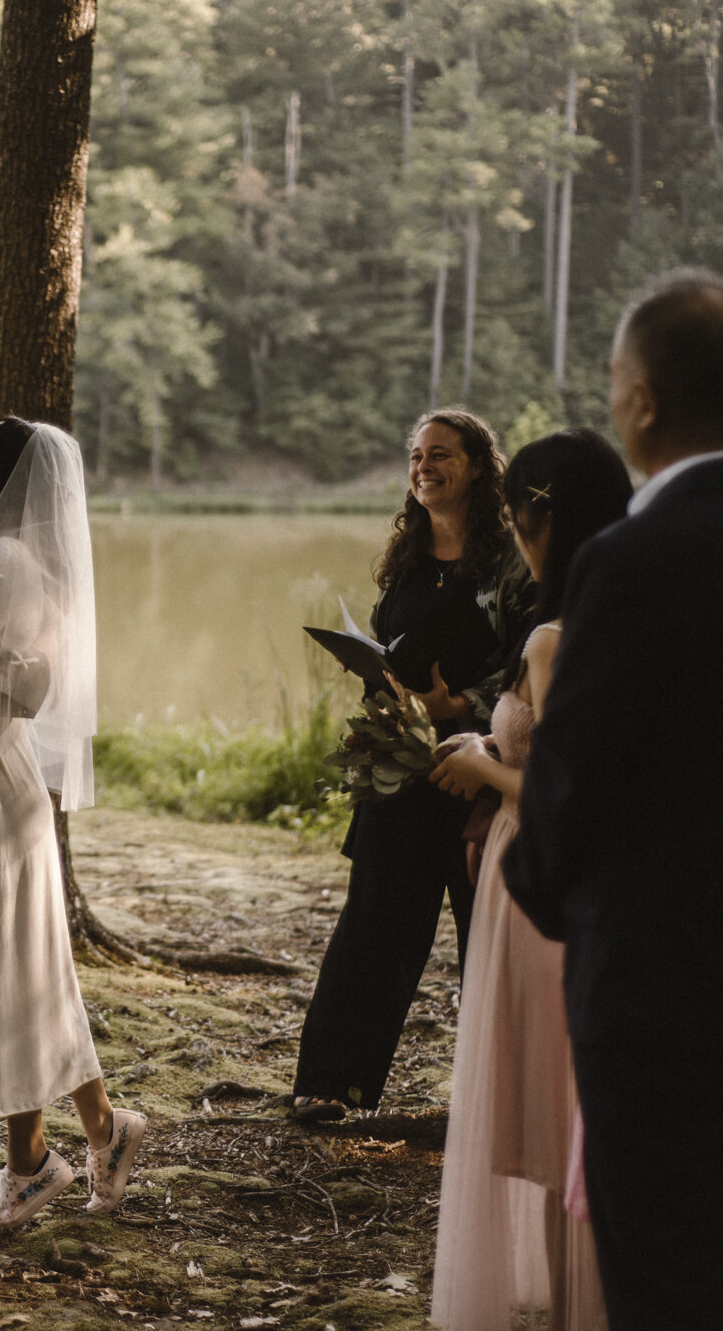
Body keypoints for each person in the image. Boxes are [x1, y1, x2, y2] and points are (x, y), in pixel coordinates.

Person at [504, 268, 723, 1331]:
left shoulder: (629, 557)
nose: (610, 399)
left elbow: (573, 774)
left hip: (649, 981)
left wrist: (536, 882)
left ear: (641, 399)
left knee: (663, 1278)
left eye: (613, 380)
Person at [426, 429, 632, 1330]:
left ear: (545, 517)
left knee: (548, 1107)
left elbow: (567, 789)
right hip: (584, 890)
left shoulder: (552, 637)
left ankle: (565, 1296)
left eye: (517, 517)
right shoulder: (627, 613)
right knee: (569, 1097)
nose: (512, 534)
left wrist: (480, 764)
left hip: (535, 875)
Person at [0, 417, 147, 1231]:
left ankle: (38, 1161)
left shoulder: (3, 561)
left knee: (8, 963)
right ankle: (93, 1132)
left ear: (10, 476)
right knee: (17, 963)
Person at [290, 408, 534, 1120]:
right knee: (374, 923)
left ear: (479, 467)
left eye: (442, 454)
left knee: (486, 932)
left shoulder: (511, 562)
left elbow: (535, 663)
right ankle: (332, 1085)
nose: (424, 466)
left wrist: (458, 702)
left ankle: (501, 1099)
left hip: (482, 771)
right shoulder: (407, 556)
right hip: (401, 769)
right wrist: (388, 692)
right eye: (416, 455)